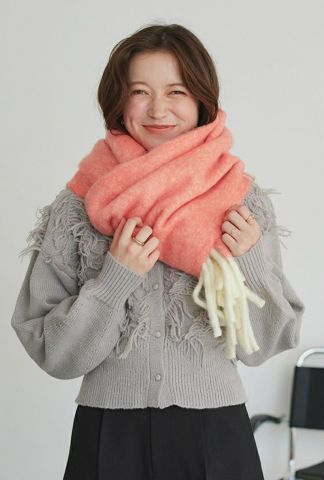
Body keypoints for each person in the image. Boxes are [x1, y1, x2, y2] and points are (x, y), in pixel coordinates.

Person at [11, 23, 306, 480]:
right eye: (140, 92)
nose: (158, 109)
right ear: (118, 100)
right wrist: (115, 278)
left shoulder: (239, 200)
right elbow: (52, 351)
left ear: (202, 100)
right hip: (108, 433)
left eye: (177, 92)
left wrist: (247, 261)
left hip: (215, 431)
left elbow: (268, 342)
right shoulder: (78, 206)